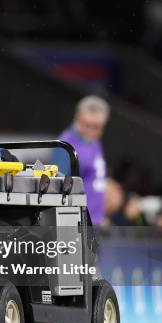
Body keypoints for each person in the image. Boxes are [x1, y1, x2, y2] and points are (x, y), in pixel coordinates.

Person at [53, 95, 109, 225]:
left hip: (95, 221)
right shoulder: (66, 147)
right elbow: (59, 189)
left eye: (97, 127)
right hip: (80, 224)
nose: (92, 131)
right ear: (77, 118)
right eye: (88, 125)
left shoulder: (93, 141)